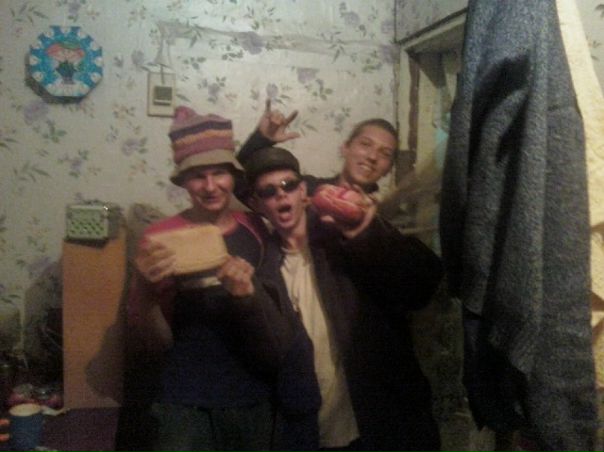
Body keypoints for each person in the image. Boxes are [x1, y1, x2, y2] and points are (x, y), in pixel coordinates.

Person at [126, 106, 319, 452]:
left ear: (233, 176)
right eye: (197, 176)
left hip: (253, 394)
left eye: (219, 173)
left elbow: (271, 312)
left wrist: (247, 295)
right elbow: (155, 343)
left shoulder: (255, 227)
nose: (211, 186)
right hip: (185, 399)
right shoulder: (160, 239)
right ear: (183, 181)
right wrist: (143, 289)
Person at [243, 146, 443, 451]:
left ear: (303, 192)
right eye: (268, 191)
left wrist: (366, 233)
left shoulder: (344, 237)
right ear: (257, 204)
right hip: (312, 433)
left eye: (288, 185)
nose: (281, 194)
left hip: (381, 424)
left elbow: (422, 285)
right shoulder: (261, 269)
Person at [239, 100, 398, 196]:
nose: (372, 156)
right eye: (365, 144)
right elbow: (239, 186)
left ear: (389, 169)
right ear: (345, 148)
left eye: (385, 153)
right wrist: (261, 139)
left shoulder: (386, 217)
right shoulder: (304, 189)